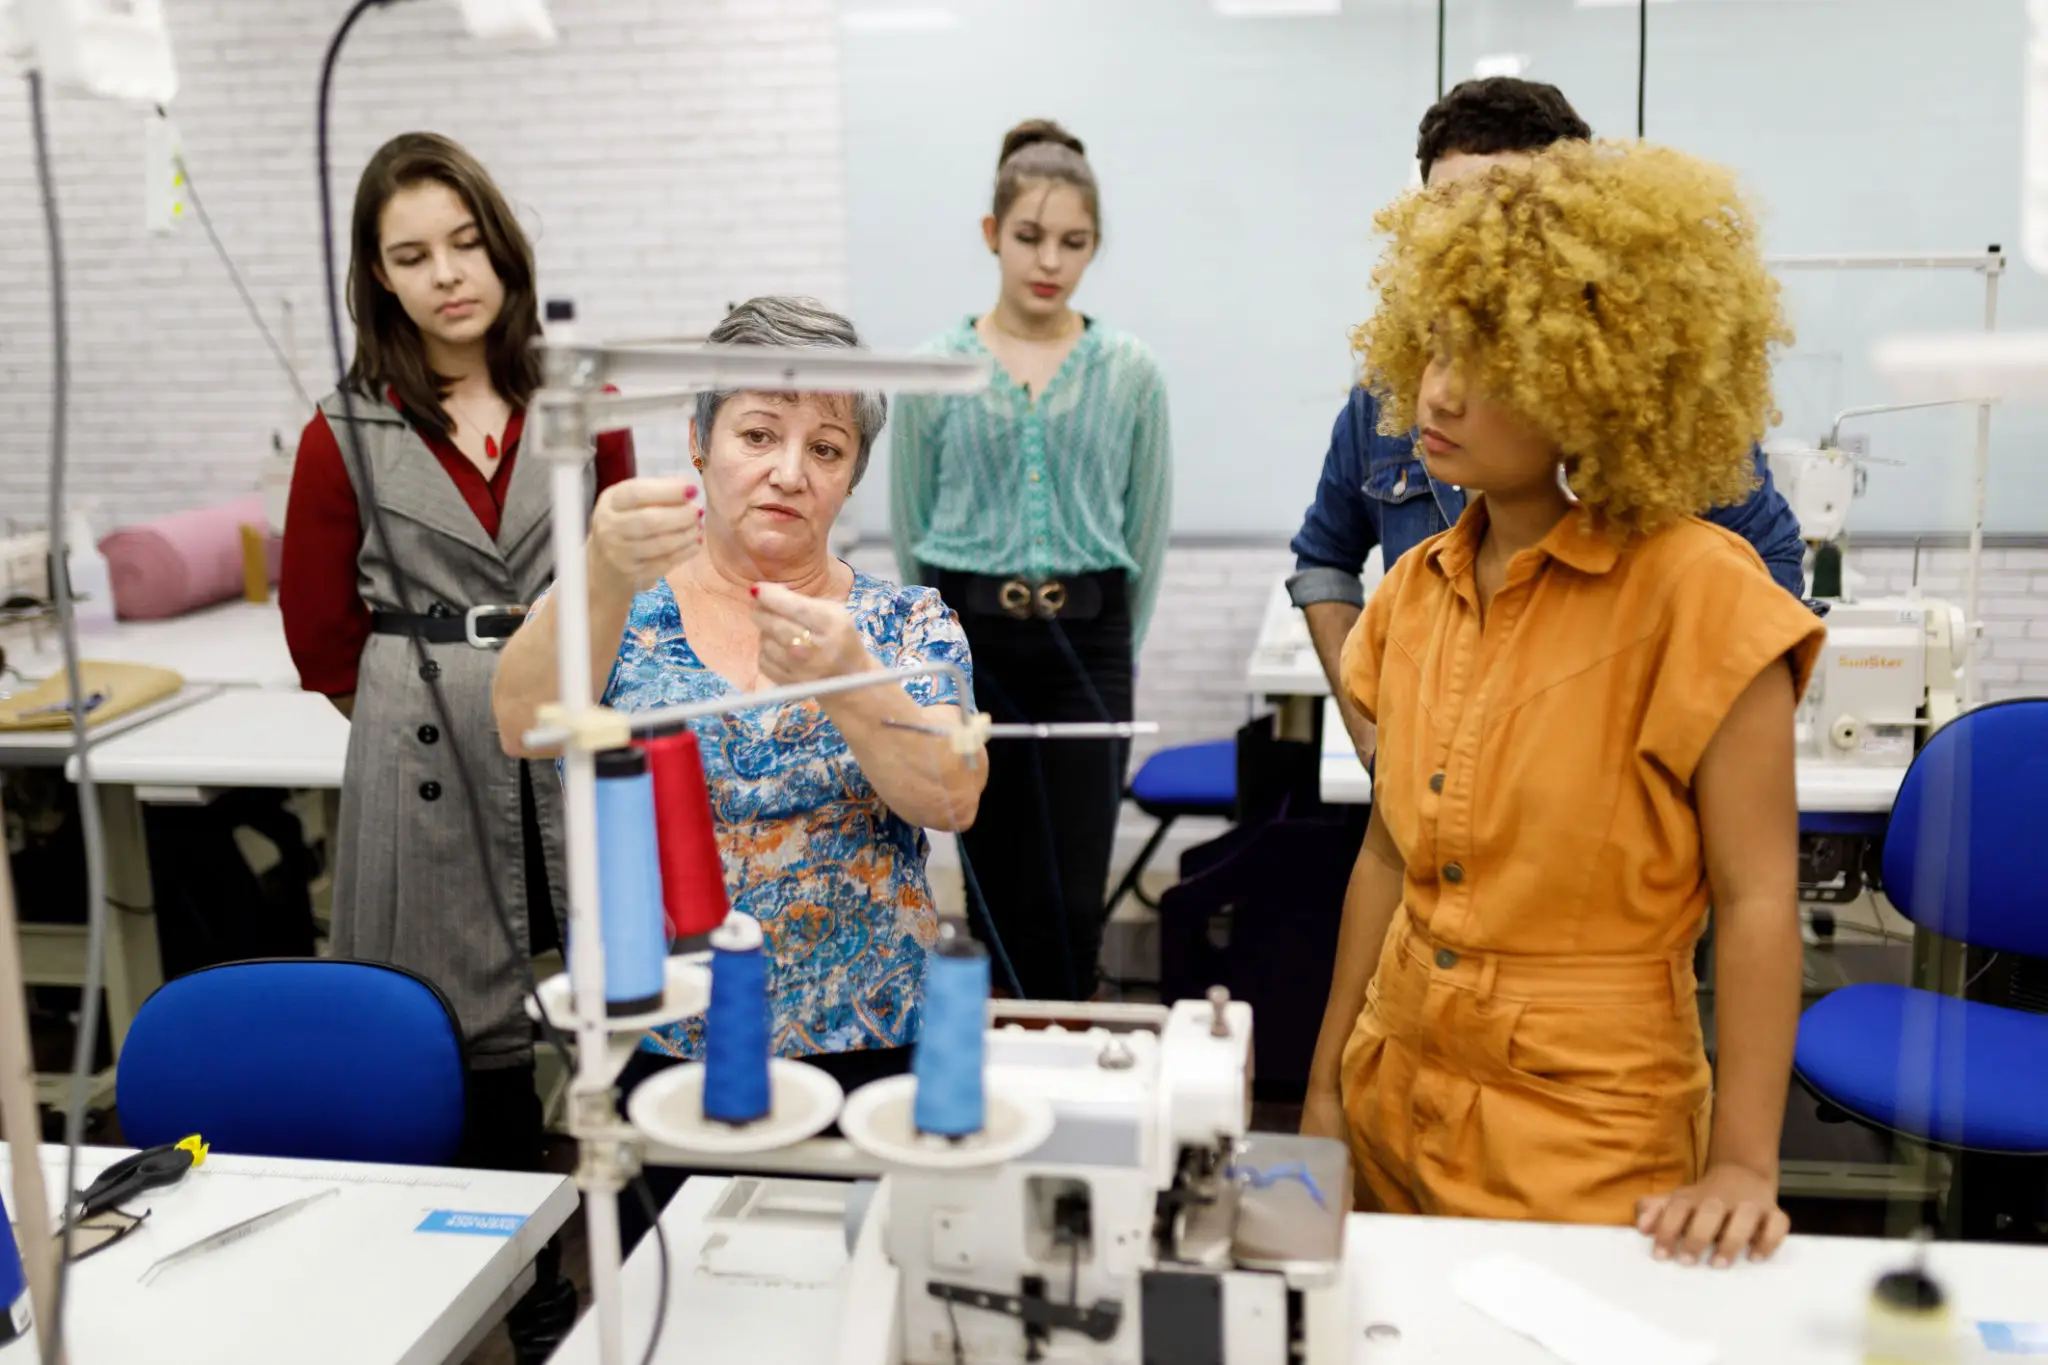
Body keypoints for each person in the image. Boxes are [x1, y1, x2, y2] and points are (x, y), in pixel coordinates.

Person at [1301, 140, 1826, 1268]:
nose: (1436, 391)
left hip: (1585, 1136)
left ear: (1594, 374)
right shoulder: (1411, 597)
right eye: (1435, 344)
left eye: (1491, 357)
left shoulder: (1699, 597)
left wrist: (1742, 1161)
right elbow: (1385, 864)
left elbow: (1755, 900)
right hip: (1393, 1093)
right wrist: (1321, 1100)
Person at [493, 296, 986, 1246]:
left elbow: (949, 795)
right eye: (759, 433)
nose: (790, 473)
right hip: (668, 1046)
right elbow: (520, 725)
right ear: (698, 438)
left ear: (853, 478)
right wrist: (598, 568)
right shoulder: (616, 608)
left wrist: (848, 677)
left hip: (871, 1051)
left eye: (828, 449)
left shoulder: (905, 624)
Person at [279, 132, 631, 1361]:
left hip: (563, 720)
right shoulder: (345, 429)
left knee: (598, 994)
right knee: (458, 1039)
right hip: (416, 740)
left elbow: (625, 574)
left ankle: (605, 1260)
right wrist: (401, 713)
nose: (446, 277)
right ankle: (511, 1279)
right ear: (378, 278)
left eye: (464, 243)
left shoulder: (575, 399)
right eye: (410, 256)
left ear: (501, 241)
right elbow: (320, 633)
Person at [1289, 78, 1807, 761]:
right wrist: (1372, 733)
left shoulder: (1649, 409)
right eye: (1449, 216)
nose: (1477, 248)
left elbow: (1766, 578)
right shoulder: (1390, 409)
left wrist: (1662, 744)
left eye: (1509, 217)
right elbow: (1325, 557)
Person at [890, 118, 1172, 1001]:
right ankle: (1001, 1061)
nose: (1050, 260)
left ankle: (1073, 1055)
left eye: (1074, 242)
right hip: (970, 644)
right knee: (989, 881)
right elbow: (909, 530)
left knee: (1073, 888)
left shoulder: (1130, 370)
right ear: (991, 236)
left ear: (1096, 245)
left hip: (1090, 644)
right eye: (1029, 237)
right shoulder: (938, 368)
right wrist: (934, 665)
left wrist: (1115, 651)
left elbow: (1148, 533)